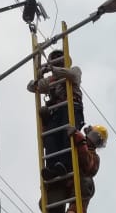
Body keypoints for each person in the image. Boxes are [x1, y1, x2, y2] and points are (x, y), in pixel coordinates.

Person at [46, 124, 108, 213]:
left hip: (78, 188)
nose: (93, 140)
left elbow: (88, 164)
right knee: (53, 205)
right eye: (93, 136)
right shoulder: (71, 144)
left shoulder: (93, 156)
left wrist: (79, 139)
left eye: (97, 140)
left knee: (85, 184)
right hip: (64, 182)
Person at [27, 49, 84, 177]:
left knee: (66, 135)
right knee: (50, 137)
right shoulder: (51, 80)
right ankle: (51, 167)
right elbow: (32, 87)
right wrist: (40, 75)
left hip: (72, 107)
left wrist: (52, 69)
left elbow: (72, 76)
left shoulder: (74, 70)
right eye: (54, 57)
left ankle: (65, 164)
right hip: (57, 111)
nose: (57, 59)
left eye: (60, 57)